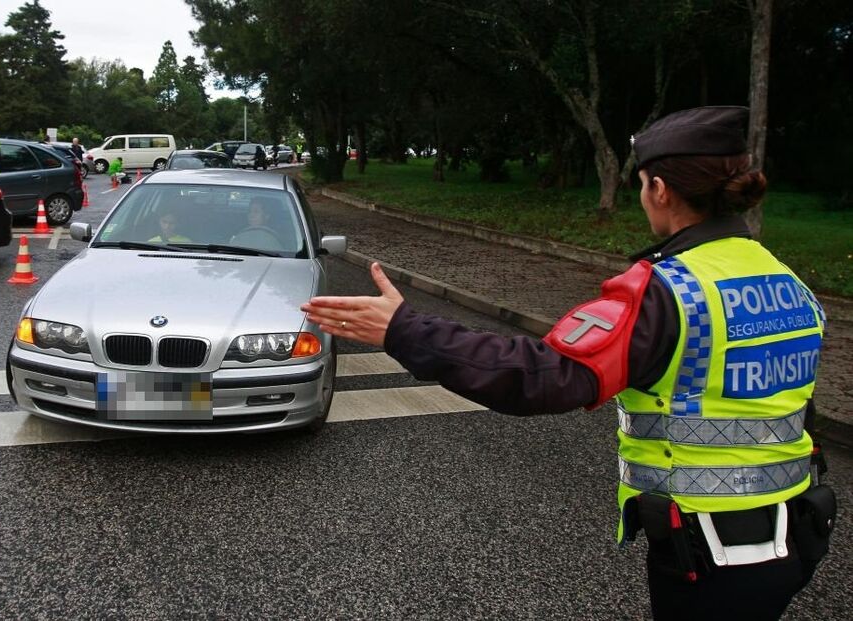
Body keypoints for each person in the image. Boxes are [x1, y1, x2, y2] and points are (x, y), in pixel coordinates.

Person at [300, 107, 834, 620]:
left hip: (711, 554)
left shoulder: (667, 291)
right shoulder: (785, 279)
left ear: (660, 189)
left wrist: (403, 329)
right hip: (799, 533)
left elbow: (542, 377)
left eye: (641, 184)